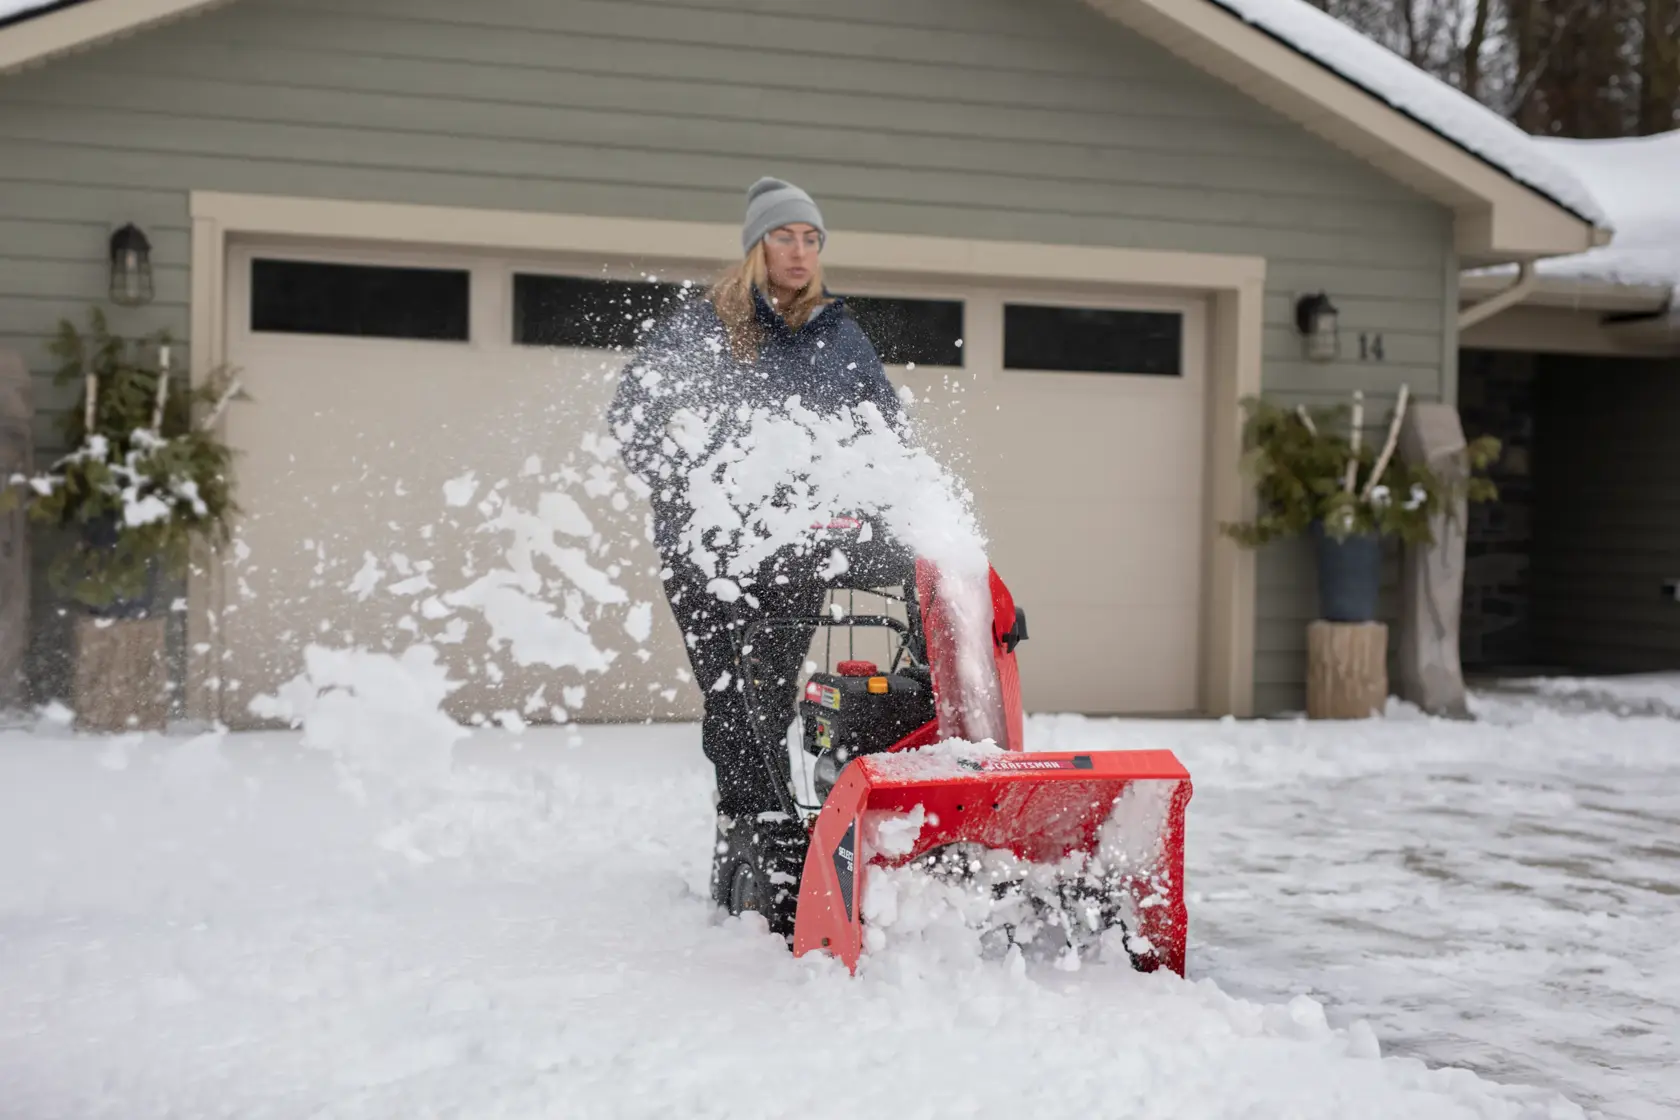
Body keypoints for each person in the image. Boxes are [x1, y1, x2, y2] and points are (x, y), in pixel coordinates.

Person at [607, 177, 908, 911]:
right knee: (734, 694)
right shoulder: (703, 324)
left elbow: (884, 433)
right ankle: (751, 837)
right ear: (755, 245)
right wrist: (696, 491)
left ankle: (760, 832)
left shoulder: (839, 333)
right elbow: (634, 418)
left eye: (811, 239)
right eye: (784, 236)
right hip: (707, 554)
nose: (800, 252)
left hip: (800, 547)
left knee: (771, 692)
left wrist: (895, 517)